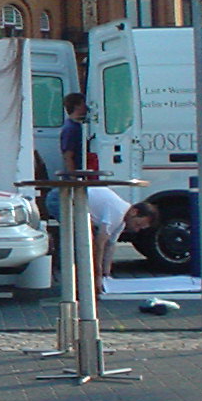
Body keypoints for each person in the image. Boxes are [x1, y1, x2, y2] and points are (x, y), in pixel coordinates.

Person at [85, 186, 159, 294]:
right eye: (137, 224)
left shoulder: (122, 220)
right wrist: (98, 274)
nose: (136, 229)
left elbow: (110, 245)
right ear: (134, 212)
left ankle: (86, 282)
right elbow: (100, 243)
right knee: (85, 241)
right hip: (64, 199)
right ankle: (83, 284)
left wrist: (107, 274)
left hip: (78, 200)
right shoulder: (118, 213)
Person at [45, 92, 90, 221]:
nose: (86, 108)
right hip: (75, 176)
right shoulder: (71, 129)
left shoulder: (78, 126)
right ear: (77, 106)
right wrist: (73, 176)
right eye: (83, 104)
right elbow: (68, 155)